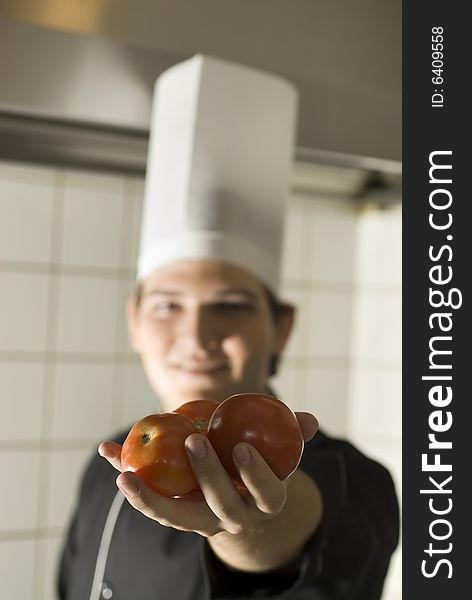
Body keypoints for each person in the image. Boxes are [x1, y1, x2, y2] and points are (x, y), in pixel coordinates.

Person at [58, 55, 399, 600]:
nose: (196, 335)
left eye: (232, 306)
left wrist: (252, 525)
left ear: (281, 329)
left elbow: (290, 530)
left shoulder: (359, 484)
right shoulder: (112, 467)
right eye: (168, 306)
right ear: (135, 323)